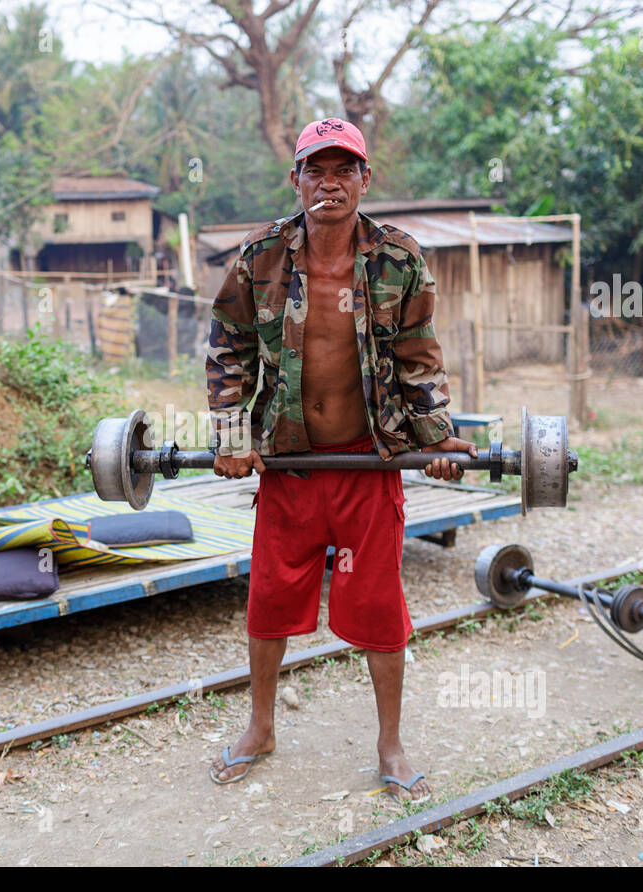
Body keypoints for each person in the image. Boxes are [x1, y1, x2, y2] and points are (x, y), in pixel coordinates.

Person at [205, 118, 477, 802]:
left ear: (364, 178)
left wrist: (436, 437)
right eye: (315, 170)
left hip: (368, 460)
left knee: (379, 603)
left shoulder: (398, 259)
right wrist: (235, 436)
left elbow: (419, 355)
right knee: (269, 598)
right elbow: (229, 349)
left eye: (344, 170)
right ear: (295, 179)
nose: (330, 183)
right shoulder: (260, 257)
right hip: (290, 462)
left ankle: (390, 742)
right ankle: (260, 727)